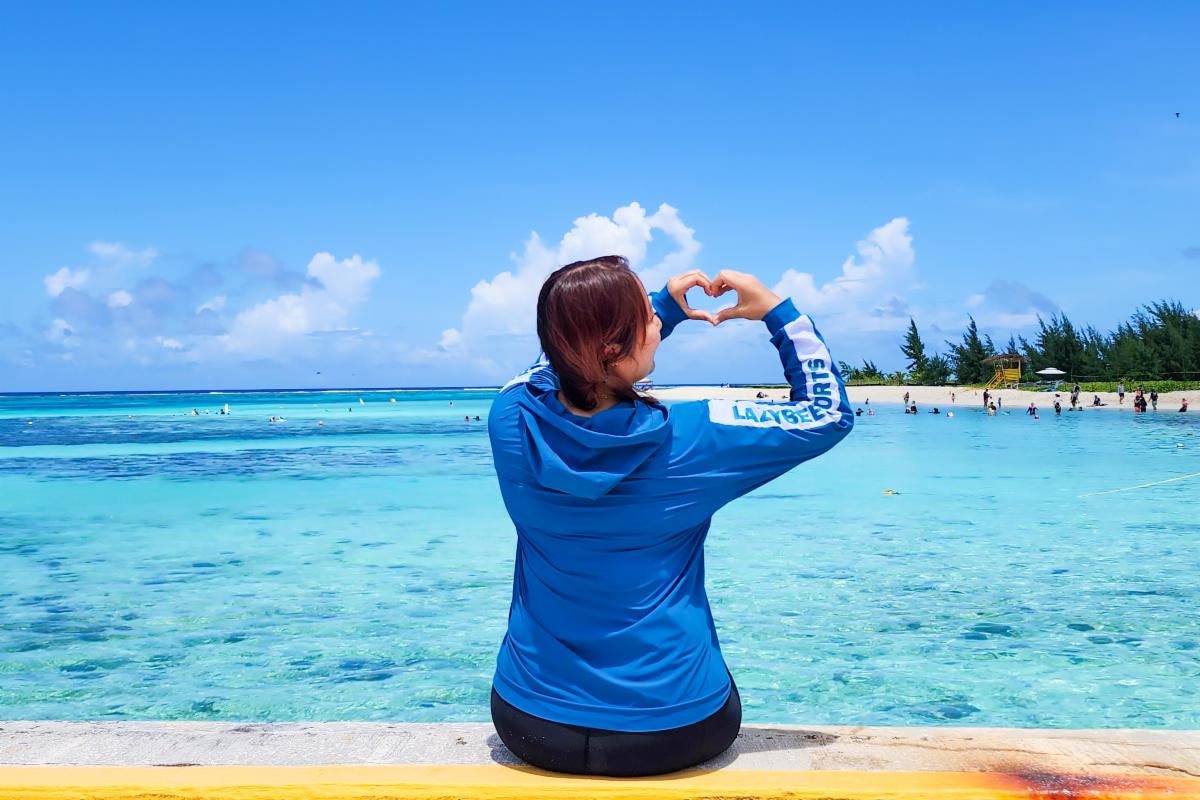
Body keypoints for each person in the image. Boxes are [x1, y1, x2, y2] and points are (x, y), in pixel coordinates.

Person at [486, 258, 852, 777]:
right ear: (612, 349)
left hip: (531, 721)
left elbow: (550, 369)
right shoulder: (693, 436)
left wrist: (658, 305)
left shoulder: (509, 419)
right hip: (671, 728)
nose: (657, 325)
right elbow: (827, 413)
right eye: (647, 319)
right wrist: (777, 311)